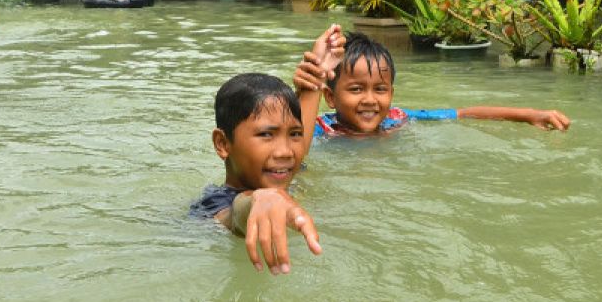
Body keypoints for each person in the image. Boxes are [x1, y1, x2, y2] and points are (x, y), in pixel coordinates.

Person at [293, 27, 571, 141]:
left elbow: (463, 114)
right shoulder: (320, 130)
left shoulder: (396, 119)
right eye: (356, 89)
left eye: (380, 89)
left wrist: (530, 115)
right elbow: (292, 140)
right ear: (330, 97)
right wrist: (309, 87)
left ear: (391, 93)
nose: (370, 99)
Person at [188, 73, 322, 276]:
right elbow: (236, 214)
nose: (286, 151)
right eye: (266, 134)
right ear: (222, 144)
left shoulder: (283, 172)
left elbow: (302, 141)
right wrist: (263, 198)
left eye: (294, 134)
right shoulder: (215, 205)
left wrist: (316, 78)